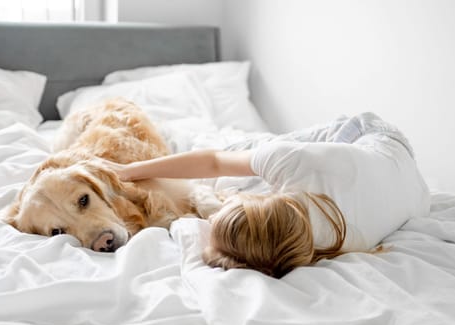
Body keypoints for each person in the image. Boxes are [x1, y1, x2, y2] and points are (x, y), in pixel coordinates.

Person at [103, 113, 431, 278]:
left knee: (234, 176)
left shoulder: (328, 242)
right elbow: (214, 160)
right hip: (372, 135)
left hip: (412, 186)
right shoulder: (293, 162)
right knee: (235, 157)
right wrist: (128, 171)